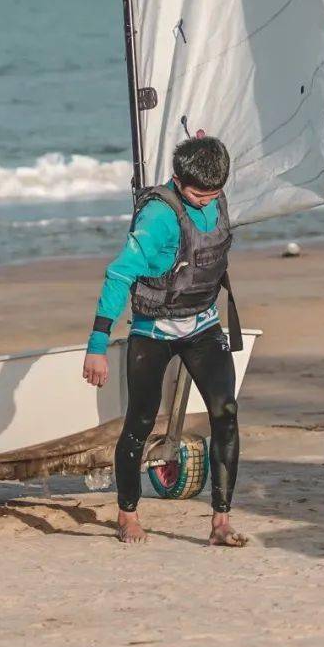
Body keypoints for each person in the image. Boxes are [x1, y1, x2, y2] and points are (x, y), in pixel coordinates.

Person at [82, 135, 247, 547]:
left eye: (214, 193)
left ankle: (221, 522)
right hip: (153, 330)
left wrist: (208, 147)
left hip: (203, 325)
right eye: (196, 194)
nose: (206, 202)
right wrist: (97, 345)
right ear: (177, 180)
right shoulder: (157, 219)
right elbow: (119, 274)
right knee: (140, 420)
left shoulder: (213, 190)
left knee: (225, 412)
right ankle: (128, 514)